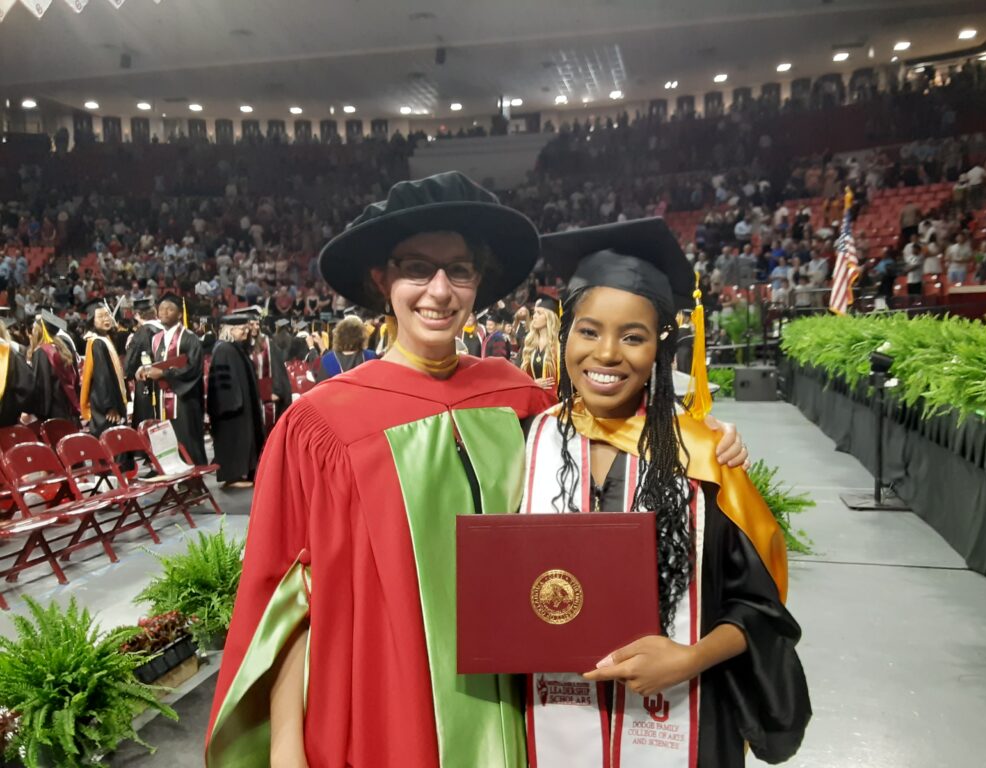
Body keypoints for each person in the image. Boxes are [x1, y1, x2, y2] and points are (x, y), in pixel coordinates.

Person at [205, 173, 748, 768]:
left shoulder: (519, 399)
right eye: (416, 268)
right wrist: (287, 751)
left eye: (459, 270)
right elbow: (286, 608)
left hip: (514, 712)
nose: (438, 290)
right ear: (380, 279)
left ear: (478, 283)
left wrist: (709, 440)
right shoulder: (321, 428)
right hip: (381, 708)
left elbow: (616, 430)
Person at [523, 218, 810, 767]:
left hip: (685, 721)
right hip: (551, 720)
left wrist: (688, 659)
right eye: (588, 331)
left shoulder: (703, 459)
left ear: (660, 348)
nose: (606, 354)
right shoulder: (530, 443)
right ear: (565, 335)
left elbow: (760, 609)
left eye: (633, 336)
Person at [140, 293, 208, 465]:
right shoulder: (156, 339)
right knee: (166, 439)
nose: (164, 312)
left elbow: (194, 368)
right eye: (161, 309)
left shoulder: (189, 337)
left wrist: (164, 374)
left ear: (179, 314)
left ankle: (194, 479)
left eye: (170, 309)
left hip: (184, 399)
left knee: (186, 438)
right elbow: (152, 362)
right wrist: (143, 370)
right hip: (162, 398)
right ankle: (174, 476)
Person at [207, 314, 264, 488]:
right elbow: (222, 383)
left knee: (246, 438)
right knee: (234, 439)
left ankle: (243, 473)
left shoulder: (235, 348)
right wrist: (232, 403)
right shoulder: (224, 349)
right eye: (242, 328)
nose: (246, 331)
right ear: (230, 330)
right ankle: (232, 477)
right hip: (231, 408)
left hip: (242, 404)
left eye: (247, 328)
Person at [80, 301, 128, 435]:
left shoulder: (105, 338)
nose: (106, 319)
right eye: (100, 317)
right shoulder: (97, 343)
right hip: (105, 405)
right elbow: (102, 376)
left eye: (107, 315)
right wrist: (110, 407)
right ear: (92, 321)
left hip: (110, 399)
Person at [28, 310, 80, 421]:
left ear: (40, 330)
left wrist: (38, 412)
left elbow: (42, 385)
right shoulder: (63, 347)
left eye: (33, 327)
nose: (32, 331)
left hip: (53, 412)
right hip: (68, 407)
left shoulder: (42, 352)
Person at [123, 297, 162, 428]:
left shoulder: (142, 332)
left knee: (146, 419)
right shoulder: (165, 329)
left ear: (137, 315)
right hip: (164, 381)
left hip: (146, 383)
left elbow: (129, 364)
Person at [519, 295, 559, 390]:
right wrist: (531, 382)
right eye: (534, 312)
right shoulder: (529, 343)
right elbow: (518, 372)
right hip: (534, 397)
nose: (534, 316)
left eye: (539, 313)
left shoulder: (560, 344)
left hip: (554, 400)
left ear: (550, 317)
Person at [317, 315, 375, 380]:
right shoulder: (371, 357)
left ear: (338, 336)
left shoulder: (328, 360)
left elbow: (320, 387)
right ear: (362, 336)